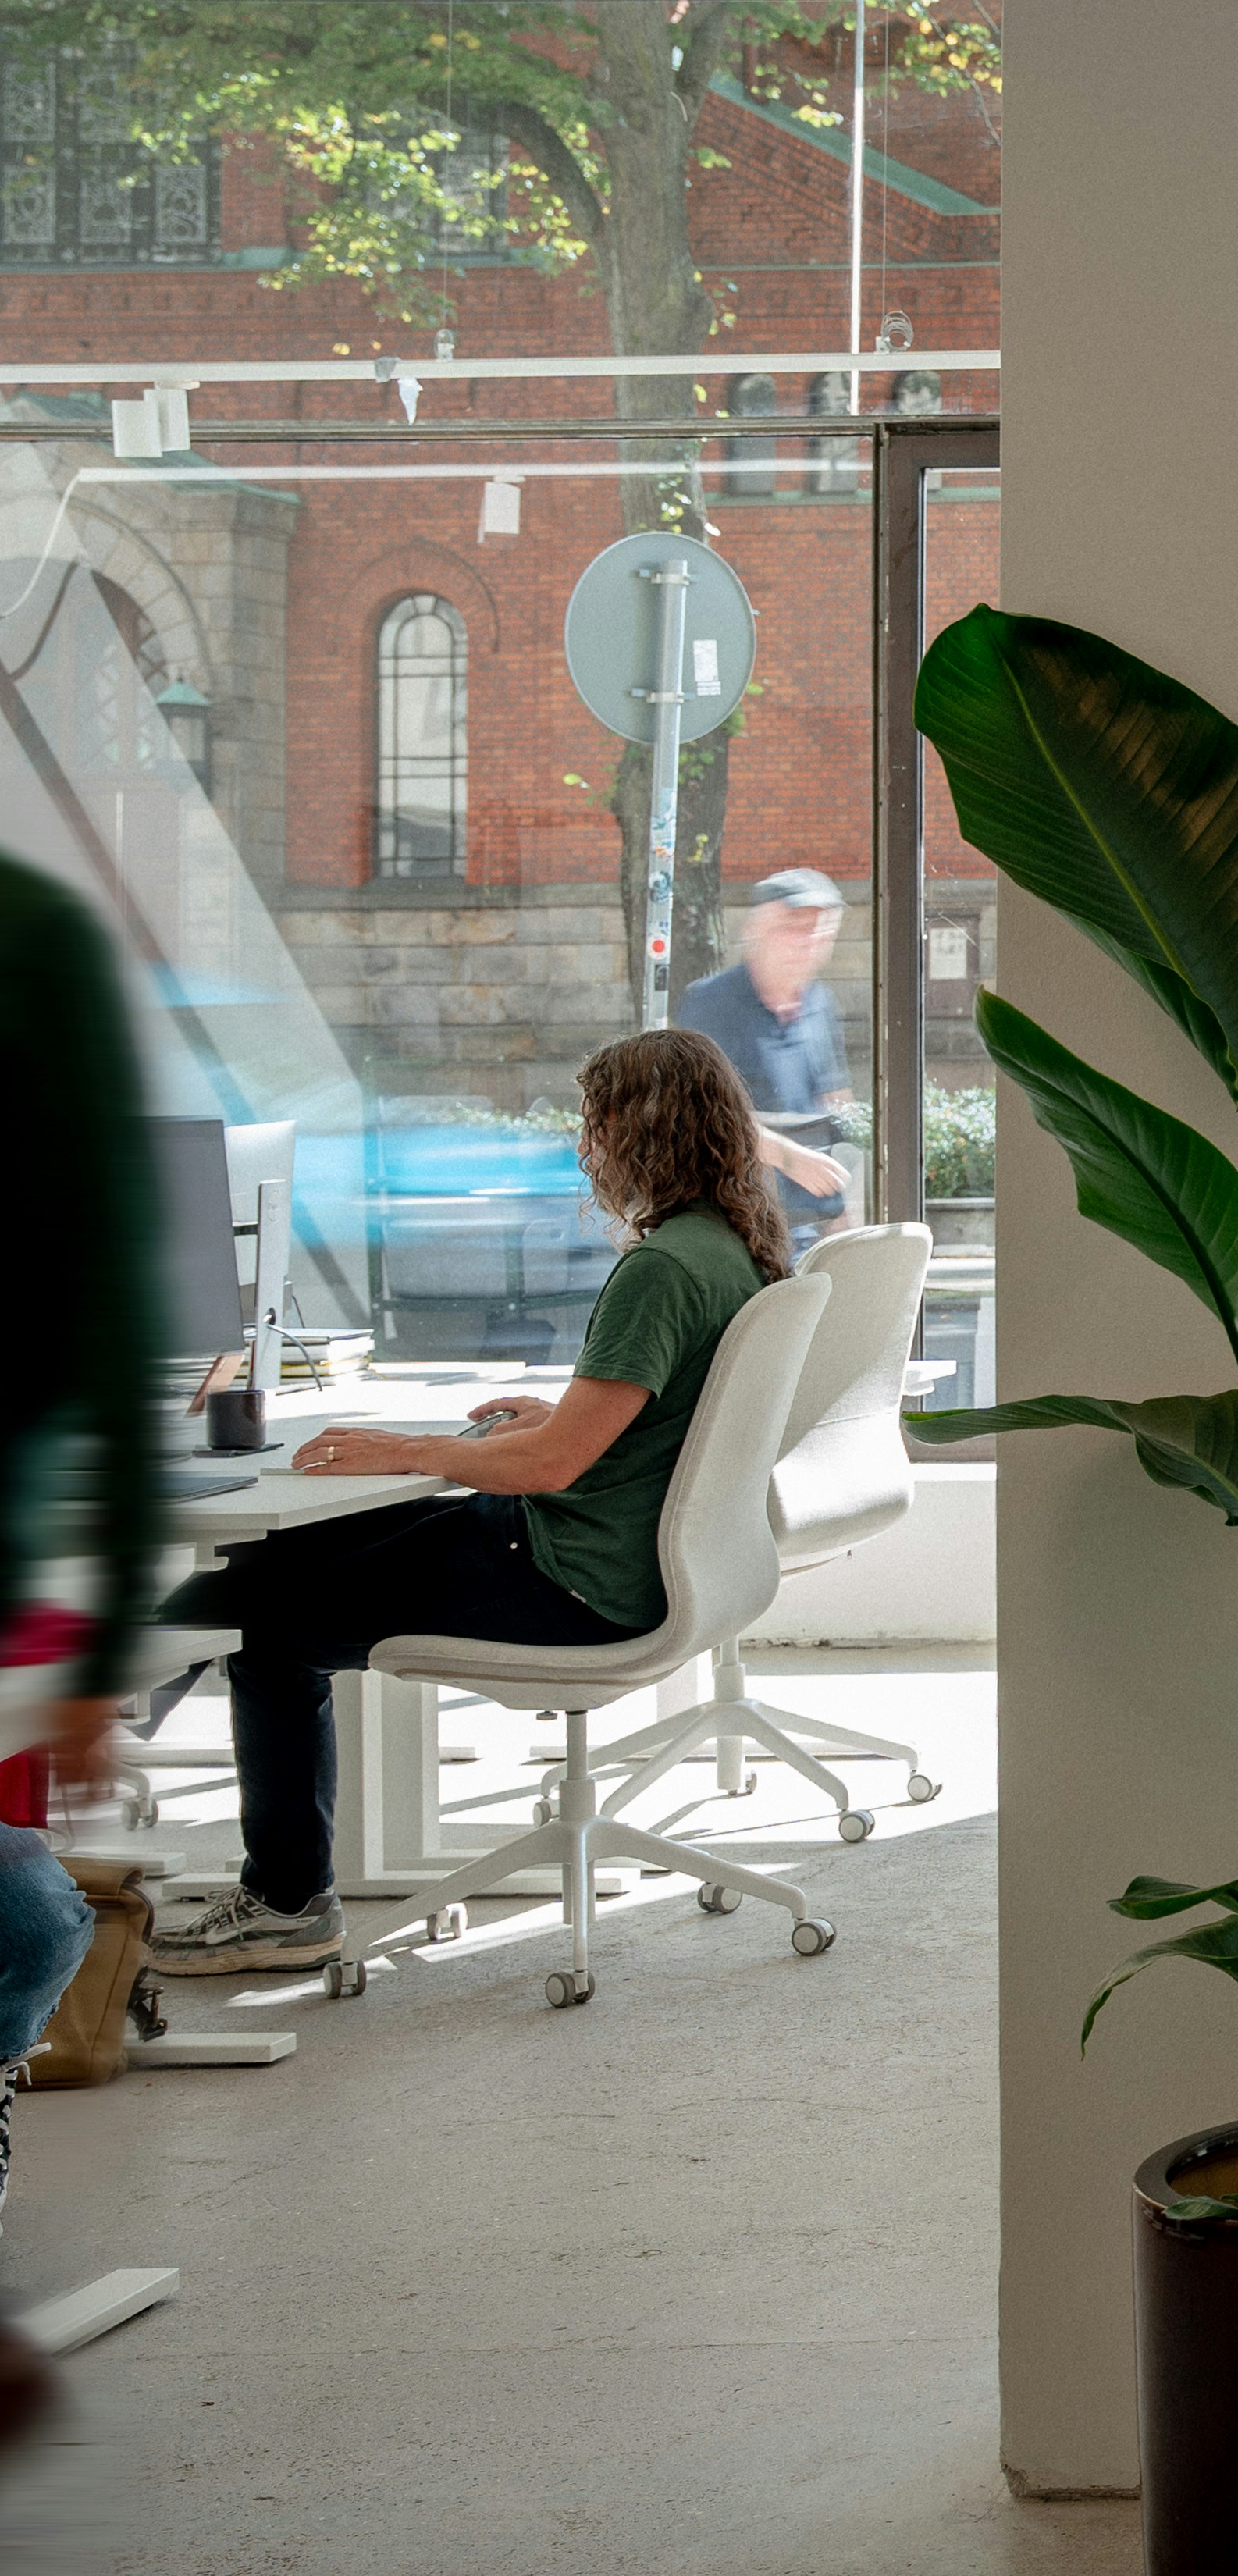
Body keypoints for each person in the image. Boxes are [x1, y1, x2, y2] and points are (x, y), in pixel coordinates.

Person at [148, 1030, 788, 1976]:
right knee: (266, 1563)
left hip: (569, 1579)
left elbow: (553, 1466)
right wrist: (556, 1415)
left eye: (594, 1121)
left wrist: (409, 1448)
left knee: (261, 1629)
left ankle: (282, 1901)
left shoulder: (660, 1270)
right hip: (608, 1556)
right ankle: (113, 1699)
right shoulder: (729, 1249)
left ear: (641, 1133)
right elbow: (647, 1422)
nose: (586, 1144)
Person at [0, 854, 153, 2339]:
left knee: (26, 1916)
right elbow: (108, 1306)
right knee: (27, 1918)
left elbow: (106, 1308)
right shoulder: (34, 937)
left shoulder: (35, 939)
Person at [671, 868, 856, 1246]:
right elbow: (702, 1113)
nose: (810, 941)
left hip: (807, 1227)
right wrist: (791, 1158)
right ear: (757, 931)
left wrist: (845, 1213)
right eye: (795, 927)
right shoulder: (711, 1005)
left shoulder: (820, 1005)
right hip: (734, 1228)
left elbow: (837, 1103)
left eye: (821, 931)